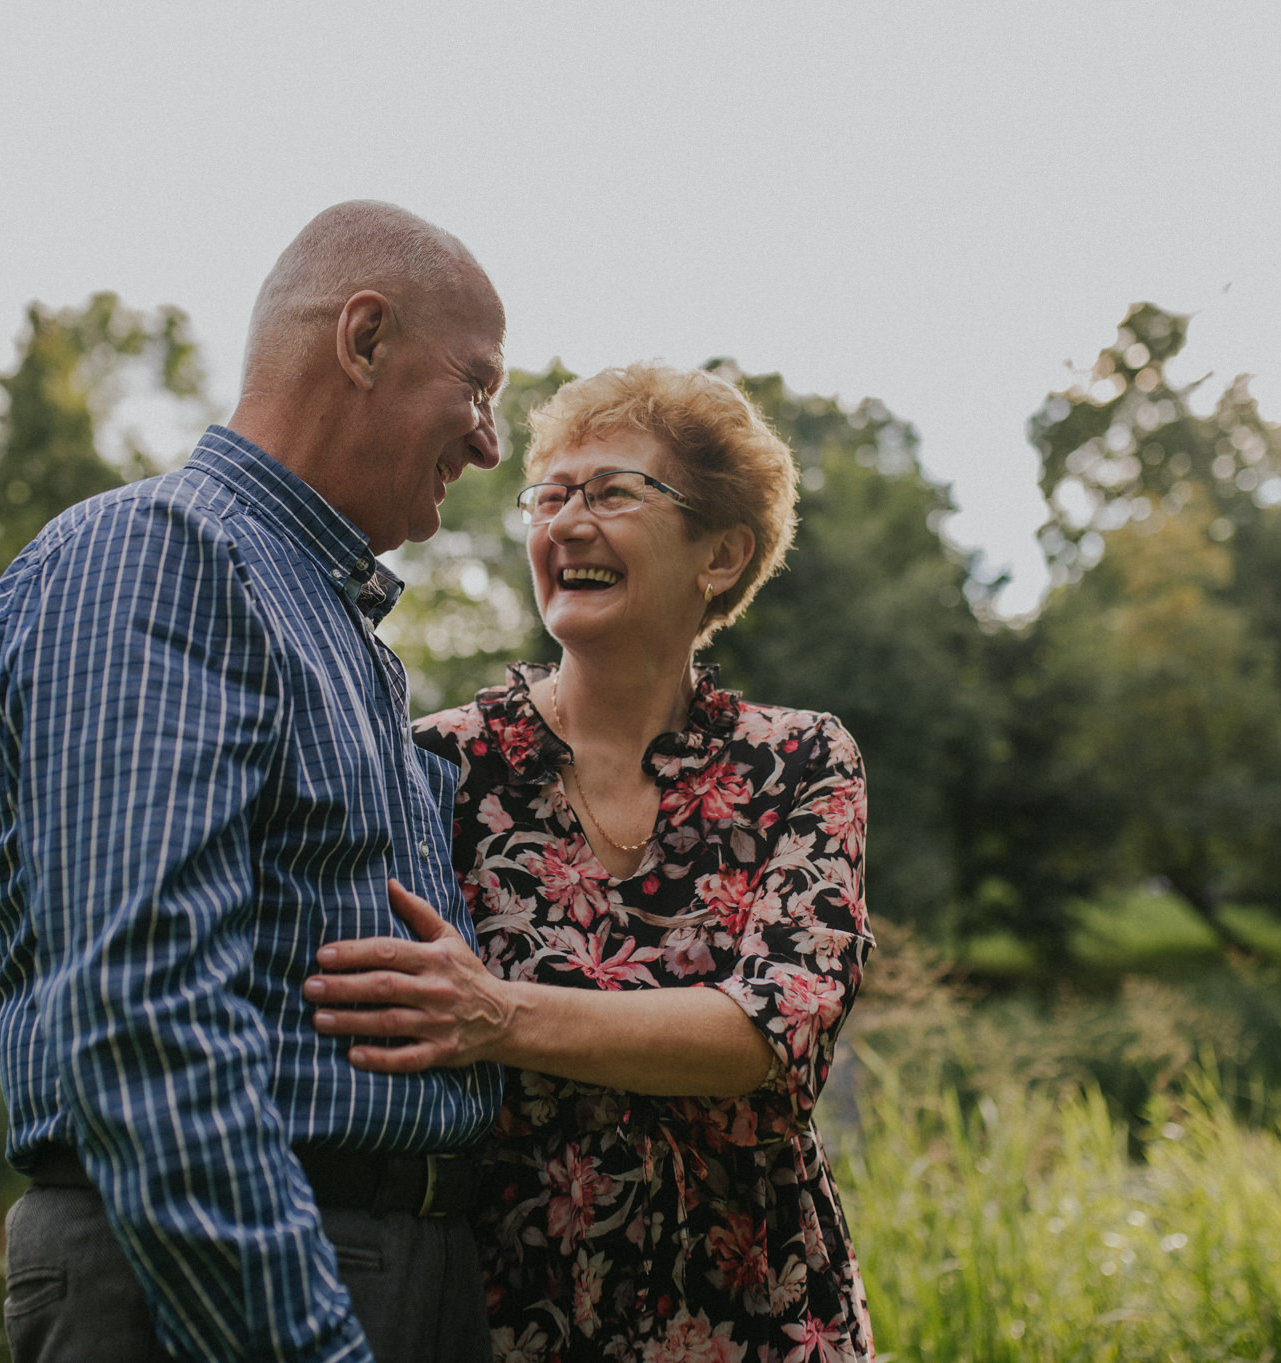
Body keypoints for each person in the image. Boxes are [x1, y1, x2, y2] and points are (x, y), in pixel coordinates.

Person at [0, 201, 511, 1363]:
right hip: (232, 1290)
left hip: (373, 1264)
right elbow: (143, 1015)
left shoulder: (330, 621)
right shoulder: (162, 554)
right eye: (477, 387)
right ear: (362, 342)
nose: (488, 444)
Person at [305, 362, 875, 1363]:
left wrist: (497, 1015)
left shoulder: (799, 758)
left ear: (720, 552)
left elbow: (771, 1027)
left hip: (762, 1317)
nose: (565, 523)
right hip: (515, 1317)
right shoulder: (436, 762)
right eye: (549, 496)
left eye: (610, 492)